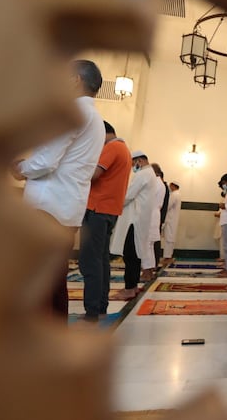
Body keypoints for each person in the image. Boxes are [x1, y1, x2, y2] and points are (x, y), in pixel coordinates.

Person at [10, 59, 105, 320]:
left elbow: (46, 161)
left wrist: (21, 168)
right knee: (53, 280)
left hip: (47, 205)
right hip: (67, 207)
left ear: (75, 80)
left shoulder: (71, 113)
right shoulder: (95, 118)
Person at [79, 121, 132, 321]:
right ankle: (100, 307)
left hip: (98, 209)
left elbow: (94, 175)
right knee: (100, 261)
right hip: (108, 211)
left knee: (90, 261)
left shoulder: (112, 147)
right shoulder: (124, 149)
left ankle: (92, 311)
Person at [110, 150, 155, 300]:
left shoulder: (142, 174)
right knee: (134, 254)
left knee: (130, 255)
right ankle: (133, 287)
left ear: (139, 161)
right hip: (139, 219)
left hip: (134, 220)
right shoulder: (151, 174)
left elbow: (128, 195)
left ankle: (129, 289)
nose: (132, 167)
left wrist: (112, 203)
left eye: (133, 164)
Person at [145, 163, 167, 275]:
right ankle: (149, 269)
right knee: (150, 244)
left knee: (147, 244)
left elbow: (146, 198)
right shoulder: (160, 183)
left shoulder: (155, 183)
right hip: (154, 214)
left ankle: (147, 271)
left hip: (151, 214)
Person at [163, 181, 182, 261]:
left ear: (173, 186)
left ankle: (167, 256)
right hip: (172, 220)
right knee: (170, 237)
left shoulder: (174, 194)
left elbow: (167, 206)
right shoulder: (178, 194)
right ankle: (168, 255)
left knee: (169, 238)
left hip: (170, 220)